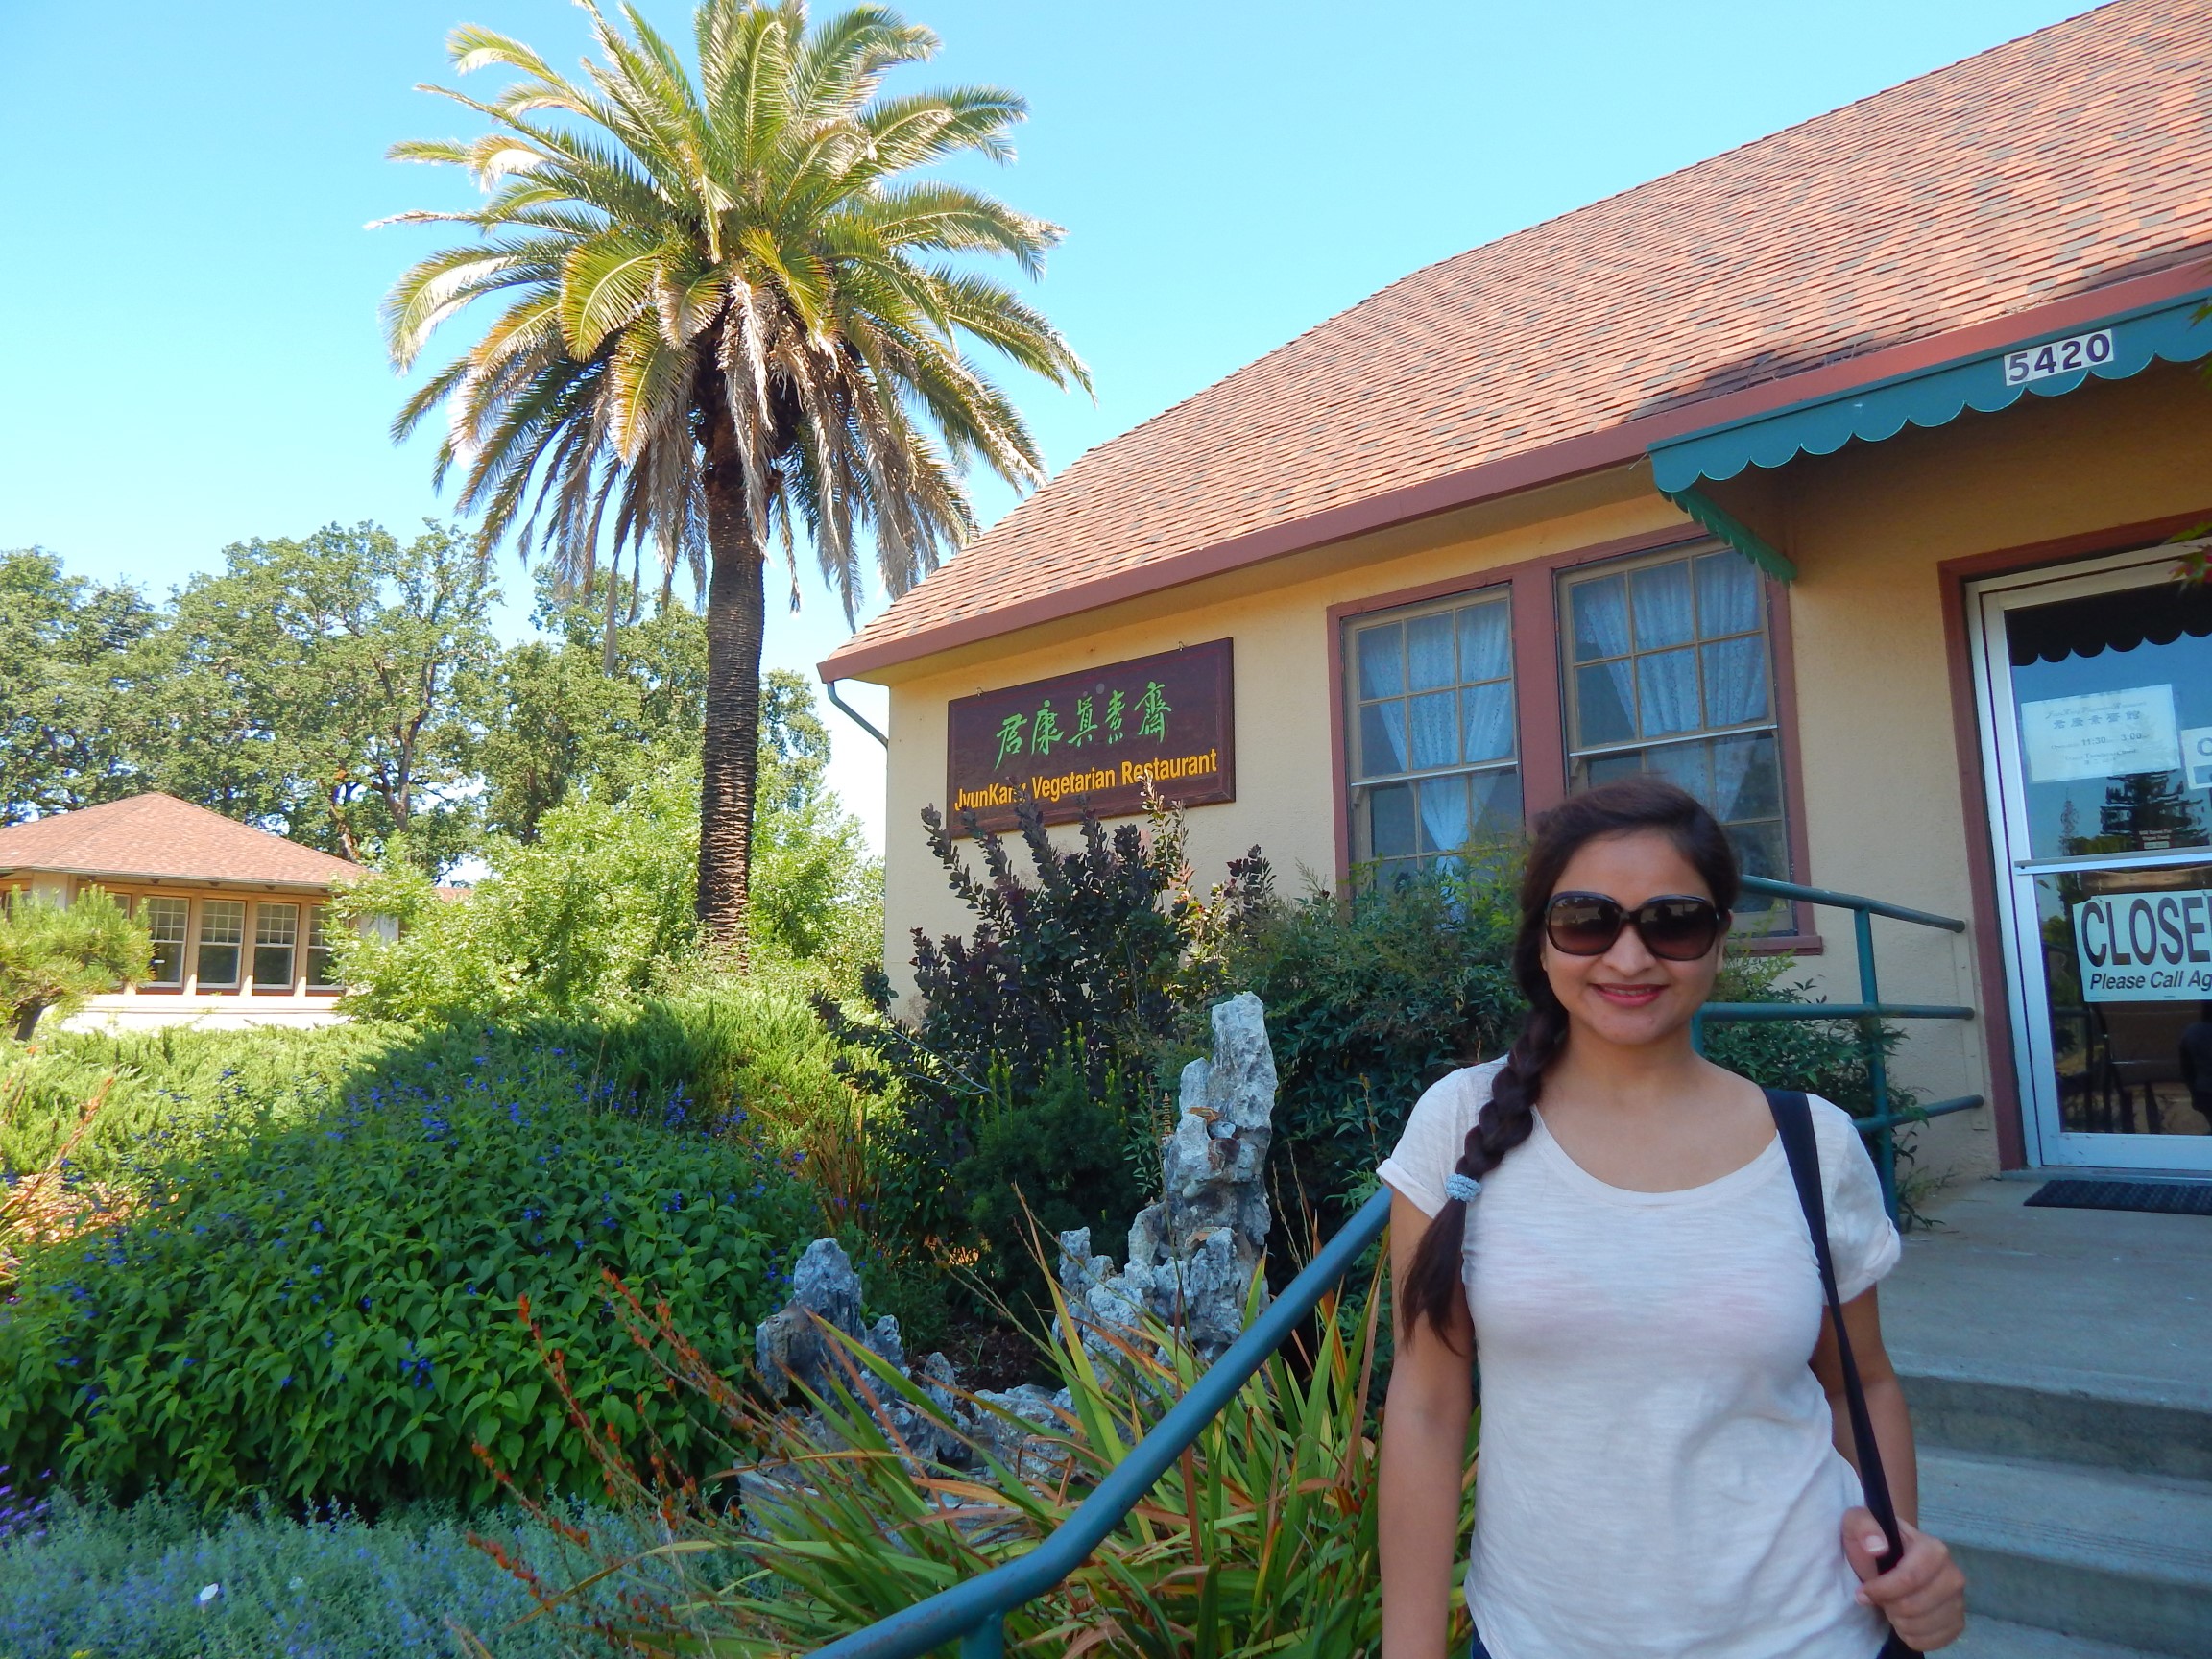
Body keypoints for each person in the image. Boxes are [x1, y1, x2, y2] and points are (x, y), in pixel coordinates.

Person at [1376, 778, 1966, 1659]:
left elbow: (1861, 1381)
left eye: (1673, 921)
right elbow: (1425, 1404)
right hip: (1539, 1637)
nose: (1629, 958)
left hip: (1808, 1630)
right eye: (1587, 920)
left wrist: (1900, 1552)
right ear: (1542, 941)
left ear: (1720, 939)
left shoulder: (1813, 1142)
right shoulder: (1457, 1125)